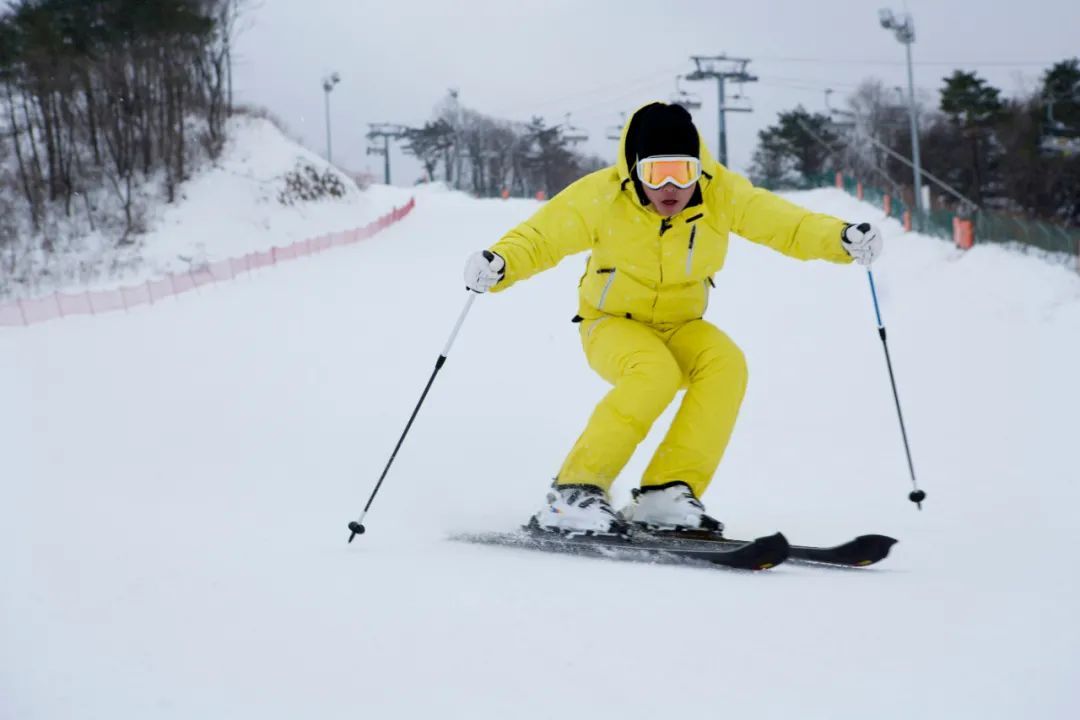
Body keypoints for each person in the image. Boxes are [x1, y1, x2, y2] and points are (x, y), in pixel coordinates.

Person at [463, 102, 883, 536]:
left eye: (681, 172)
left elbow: (787, 225)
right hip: (610, 322)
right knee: (654, 374)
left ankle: (664, 494)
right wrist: (501, 264)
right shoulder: (602, 197)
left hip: (681, 324)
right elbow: (540, 237)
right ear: (633, 171)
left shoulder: (723, 194)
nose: (669, 187)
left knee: (726, 364)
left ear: (698, 169)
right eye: (655, 173)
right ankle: (574, 492)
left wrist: (841, 239)